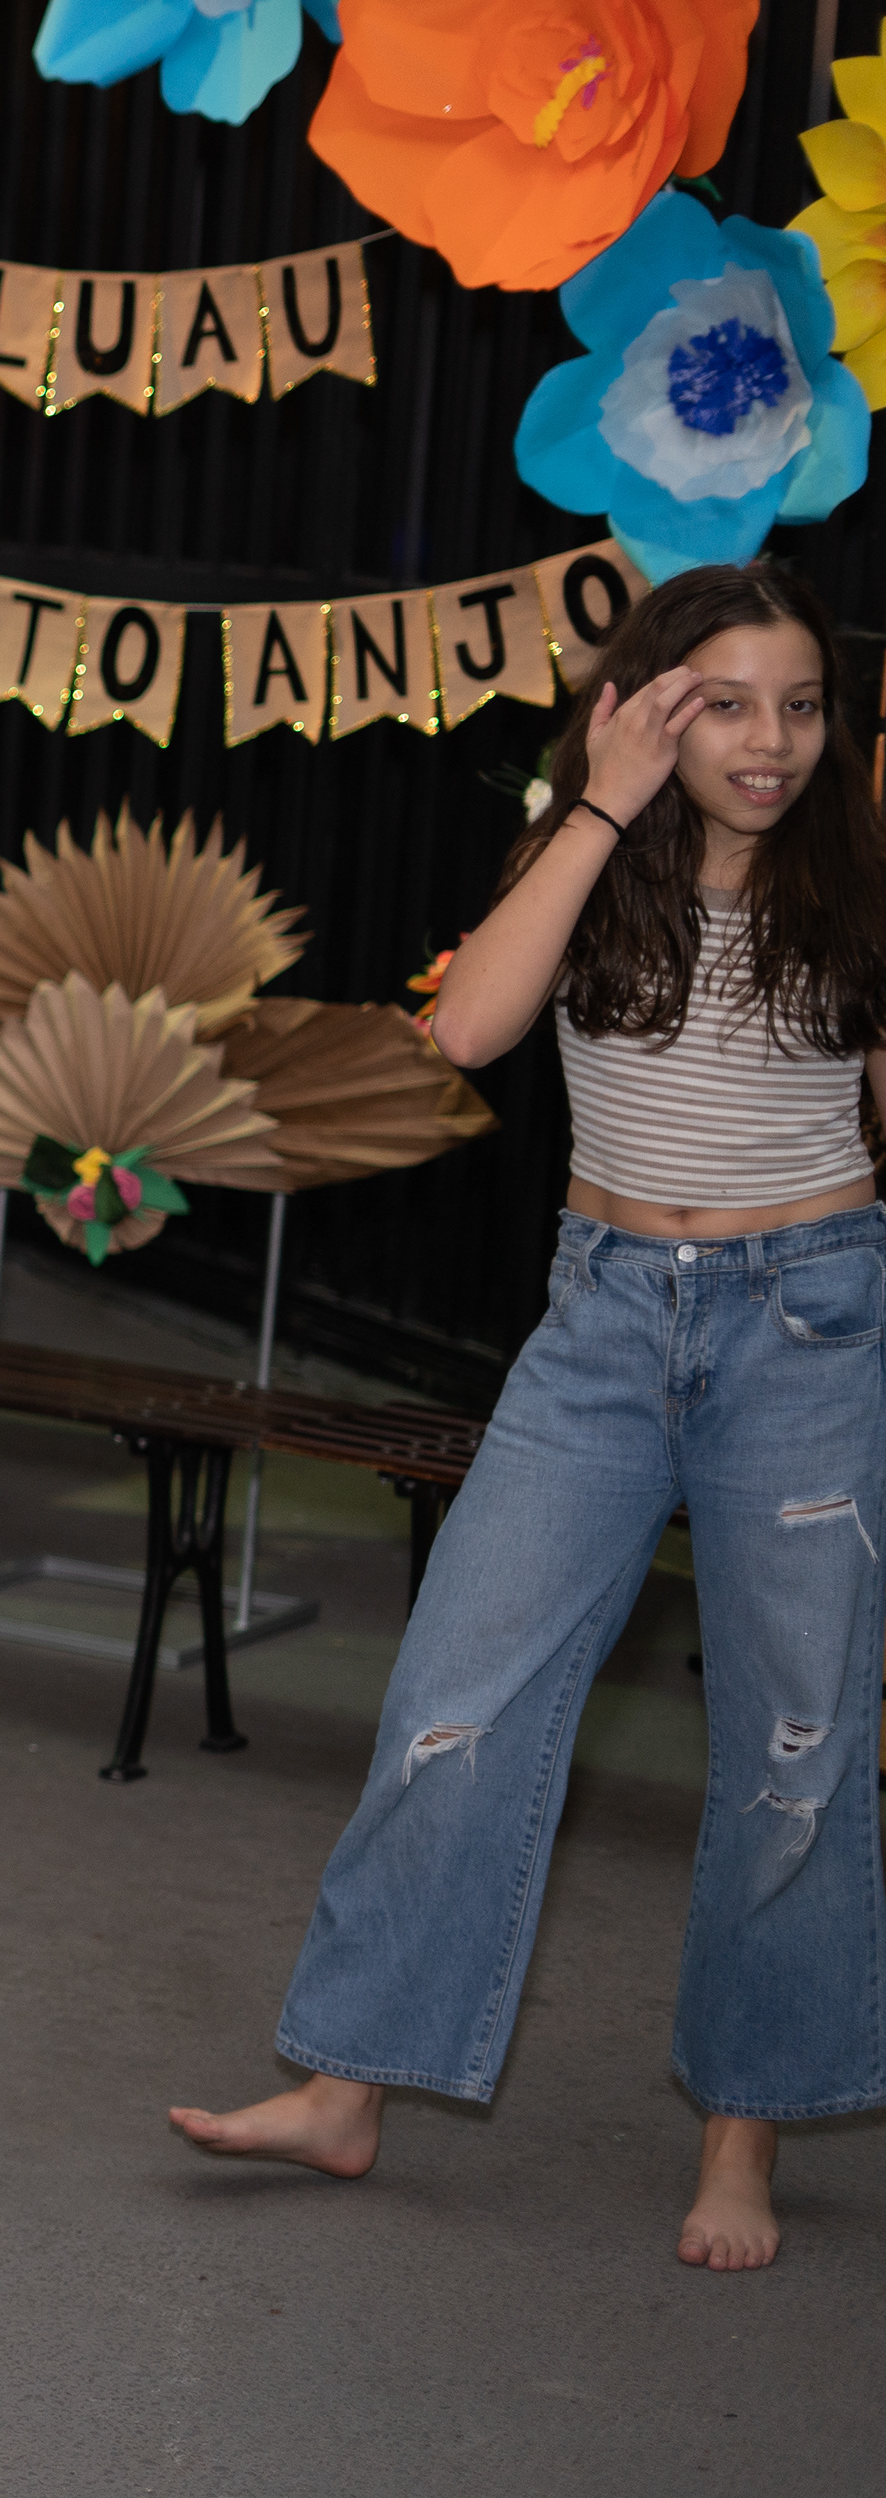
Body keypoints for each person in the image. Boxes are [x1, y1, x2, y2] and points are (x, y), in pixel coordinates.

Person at [170, 563, 886, 2273]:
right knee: (454, 1699)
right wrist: (599, 802)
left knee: (795, 1748)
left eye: (801, 706)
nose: (771, 741)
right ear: (648, 710)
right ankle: (350, 2087)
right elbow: (471, 1030)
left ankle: (743, 2132)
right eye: (726, 703)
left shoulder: (856, 886)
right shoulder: (586, 858)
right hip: (606, 1321)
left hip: (810, 1321)